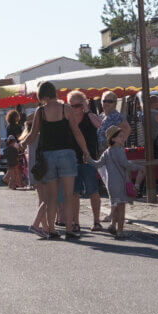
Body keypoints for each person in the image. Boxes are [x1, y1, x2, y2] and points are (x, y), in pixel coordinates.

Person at [21, 81, 91, 240]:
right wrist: (85, 151)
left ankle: (52, 229)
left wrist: (21, 145)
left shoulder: (40, 112)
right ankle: (69, 228)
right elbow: (76, 131)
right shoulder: (65, 108)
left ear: (42, 95)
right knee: (68, 194)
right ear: (54, 92)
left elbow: (32, 135)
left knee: (52, 196)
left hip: (48, 156)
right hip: (66, 154)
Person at [91, 125, 143, 239]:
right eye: (120, 136)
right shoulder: (119, 150)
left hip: (110, 184)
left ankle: (113, 225)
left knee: (115, 204)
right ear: (113, 139)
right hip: (121, 183)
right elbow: (125, 164)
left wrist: (89, 159)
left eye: (123, 136)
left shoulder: (106, 152)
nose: (123, 138)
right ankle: (120, 231)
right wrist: (138, 167)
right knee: (121, 207)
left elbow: (98, 164)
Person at [67, 90, 103, 232]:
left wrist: (87, 110)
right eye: (72, 105)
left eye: (78, 105)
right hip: (72, 160)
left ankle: (96, 221)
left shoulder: (89, 116)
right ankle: (76, 222)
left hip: (88, 160)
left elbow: (99, 124)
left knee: (93, 190)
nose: (75, 108)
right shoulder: (67, 120)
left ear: (83, 104)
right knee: (75, 193)